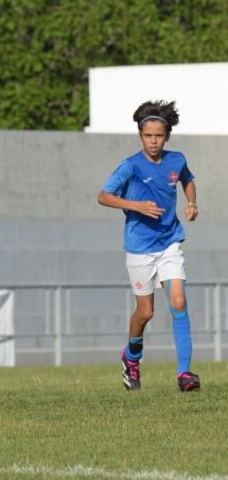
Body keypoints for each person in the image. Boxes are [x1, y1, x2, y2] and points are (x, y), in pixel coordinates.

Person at [98, 100, 200, 392]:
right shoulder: (130, 166)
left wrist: (192, 203)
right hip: (140, 248)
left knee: (178, 303)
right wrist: (136, 206)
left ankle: (184, 374)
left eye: (158, 136)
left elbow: (187, 180)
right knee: (145, 313)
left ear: (167, 136)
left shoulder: (176, 160)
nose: (153, 141)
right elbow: (103, 196)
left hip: (169, 242)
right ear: (140, 136)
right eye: (148, 136)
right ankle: (131, 357)